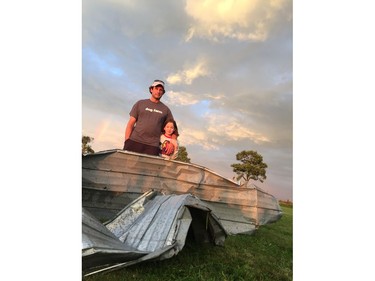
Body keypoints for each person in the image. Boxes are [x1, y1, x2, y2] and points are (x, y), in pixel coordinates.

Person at [123, 79, 176, 156]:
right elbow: (130, 123)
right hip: (134, 141)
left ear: (163, 93)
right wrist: (127, 140)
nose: (158, 91)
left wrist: (172, 142)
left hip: (153, 146)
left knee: (147, 167)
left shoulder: (166, 110)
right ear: (151, 89)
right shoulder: (140, 103)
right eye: (156, 89)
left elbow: (174, 129)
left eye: (161, 90)